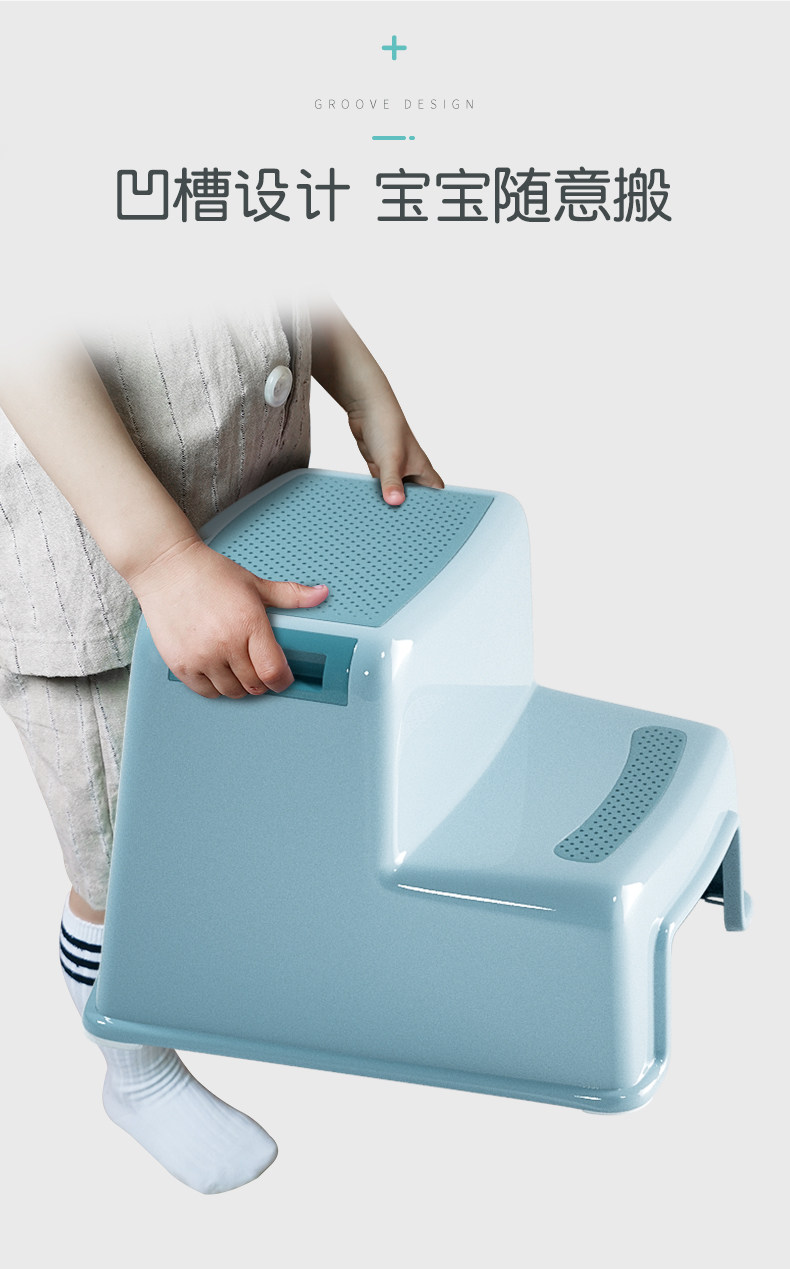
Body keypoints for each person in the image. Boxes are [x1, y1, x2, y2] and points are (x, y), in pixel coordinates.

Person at [0, 300, 443, 1193]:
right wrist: (161, 559)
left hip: (250, 510)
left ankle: (251, 969)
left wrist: (358, 380)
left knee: (254, 786)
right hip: (105, 584)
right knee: (125, 862)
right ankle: (137, 1071)